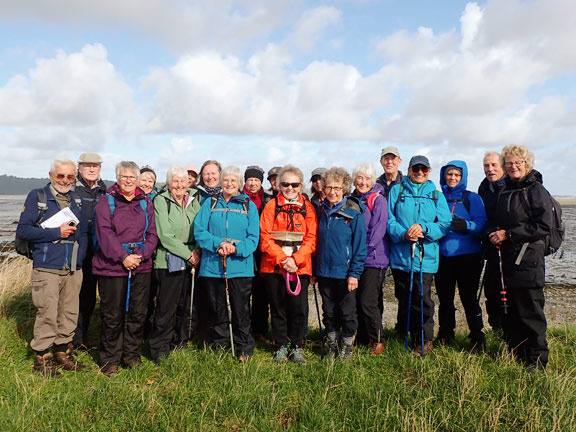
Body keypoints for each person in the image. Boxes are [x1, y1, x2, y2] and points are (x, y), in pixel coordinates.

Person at [16, 158, 89, 377]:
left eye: (70, 177)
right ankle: (42, 358)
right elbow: (24, 231)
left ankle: (62, 353)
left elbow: (83, 232)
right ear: (50, 175)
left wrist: (80, 258)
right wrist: (56, 233)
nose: (65, 180)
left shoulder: (77, 199)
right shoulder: (37, 197)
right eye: (60, 176)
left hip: (73, 267)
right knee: (47, 313)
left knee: (69, 312)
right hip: (47, 267)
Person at [487, 145, 552, 371]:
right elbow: (498, 220)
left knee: (531, 311)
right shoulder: (506, 190)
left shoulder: (535, 190)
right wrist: (494, 232)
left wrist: (509, 234)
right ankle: (517, 355)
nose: (513, 166)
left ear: (527, 164)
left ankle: (538, 360)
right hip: (508, 259)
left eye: (518, 163)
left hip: (529, 260)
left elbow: (544, 226)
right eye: (509, 163)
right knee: (513, 310)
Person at [92, 161, 158, 376]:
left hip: (141, 265)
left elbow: (152, 234)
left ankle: (131, 355)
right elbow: (104, 233)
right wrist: (123, 257)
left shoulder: (146, 202)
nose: (128, 180)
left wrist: (139, 255)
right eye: (124, 176)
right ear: (117, 178)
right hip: (112, 266)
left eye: (132, 177)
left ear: (138, 179)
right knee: (113, 314)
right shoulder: (106, 201)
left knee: (138, 313)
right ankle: (110, 359)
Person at [194, 166, 260, 362]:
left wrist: (235, 249)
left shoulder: (249, 205)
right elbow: (199, 231)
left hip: (240, 266)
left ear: (239, 183)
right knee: (217, 308)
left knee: (240, 308)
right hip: (213, 265)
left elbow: (253, 238)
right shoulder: (209, 203)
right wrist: (218, 244)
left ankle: (244, 346)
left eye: (233, 180)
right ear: (221, 182)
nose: (229, 184)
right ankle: (221, 344)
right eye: (226, 180)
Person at [387, 155, 451, 356]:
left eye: (424, 169)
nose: (420, 173)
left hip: (425, 258)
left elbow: (445, 223)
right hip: (401, 257)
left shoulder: (436, 195)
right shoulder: (396, 191)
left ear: (429, 171)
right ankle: (405, 333)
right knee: (404, 297)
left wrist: (424, 228)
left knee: (423, 299)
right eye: (416, 169)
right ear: (409, 170)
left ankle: (424, 340)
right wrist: (404, 234)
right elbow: (389, 221)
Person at [259, 165, 317, 364]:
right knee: (278, 308)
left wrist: (296, 260)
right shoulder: (271, 206)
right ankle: (280, 346)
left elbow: (311, 238)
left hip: (299, 268)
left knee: (298, 309)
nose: (290, 188)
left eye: (294, 184)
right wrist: (283, 260)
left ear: (301, 186)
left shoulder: (307, 208)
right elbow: (265, 237)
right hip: (275, 267)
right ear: (279, 185)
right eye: (285, 184)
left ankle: (297, 346)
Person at [149, 166, 201, 363]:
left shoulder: (194, 202)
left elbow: (200, 227)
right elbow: (164, 234)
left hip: (191, 257)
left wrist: (197, 249)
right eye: (175, 181)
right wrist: (189, 254)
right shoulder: (161, 201)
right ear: (168, 183)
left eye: (183, 181)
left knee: (185, 303)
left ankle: (181, 341)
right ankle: (159, 347)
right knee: (166, 306)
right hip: (168, 259)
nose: (179, 185)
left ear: (188, 183)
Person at [314, 167, 367, 360]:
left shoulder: (354, 213)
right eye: (329, 187)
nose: (332, 192)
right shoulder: (320, 211)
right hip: (324, 271)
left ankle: (347, 347)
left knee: (347, 312)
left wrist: (355, 273)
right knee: (329, 311)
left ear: (344, 188)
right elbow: (316, 242)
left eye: (337, 188)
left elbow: (360, 247)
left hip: (345, 273)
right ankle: (332, 347)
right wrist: (314, 270)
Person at [435, 160, 487, 351]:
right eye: (449, 174)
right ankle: (445, 334)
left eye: (457, 174)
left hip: (469, 257)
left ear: (463, 176)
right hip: (443, 257)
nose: (453, 178)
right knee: (445, 299)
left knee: (469, 298)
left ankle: (477, 336)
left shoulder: (471, 198)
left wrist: (467, 226)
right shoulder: (438, 198)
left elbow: (482, 225)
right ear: (444, 176)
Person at [351, 162, 389, 355]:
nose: (363, 182)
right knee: (356, 300)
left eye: (366, 178)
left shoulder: (379, 200)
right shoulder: (352, 200)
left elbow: (378, 231)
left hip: (373, 258)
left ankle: (377, 340)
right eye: (359, 178)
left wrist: (361, 253)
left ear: (372, 180)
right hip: (356, 258)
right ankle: (363, 338)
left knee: (368, 301)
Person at [72, 152, 107, 351]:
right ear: (79, 168)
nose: (92, 169)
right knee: (80, 295)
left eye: (96, 166)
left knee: (96, 297)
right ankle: (77, 338)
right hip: (80, 251)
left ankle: (90, 335)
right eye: (88, 166)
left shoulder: (105, 191)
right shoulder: (73, 190)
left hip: (100, 252)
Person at [242, 165, 273, 343]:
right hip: (245, 250)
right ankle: (244, 329)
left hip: (263, 251)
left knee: (262, 294)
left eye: (256, 180)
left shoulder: (269, 199)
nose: (253, 183)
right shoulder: (239, 198)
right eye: (250, 180)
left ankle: (260, 330)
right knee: (244, 292)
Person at [478, 151, 507, 331]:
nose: (490, 169)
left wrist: (505, 233)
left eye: (494, 165)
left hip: (511, 249)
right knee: (491, 290)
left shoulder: (511, 187)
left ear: (502, 166)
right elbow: (483, 218)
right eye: (486, 166)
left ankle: (512, 333)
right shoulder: (484, 188)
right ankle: (497, 330)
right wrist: (488, 231)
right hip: (491, 247)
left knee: (512, 293)